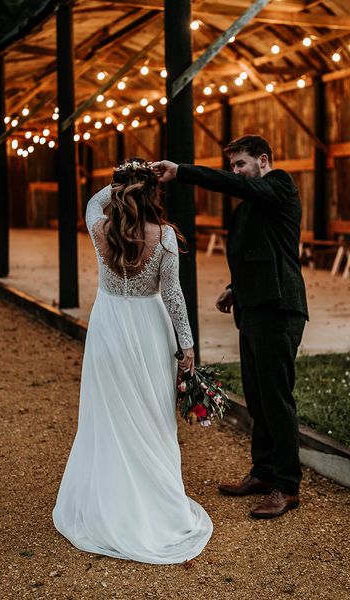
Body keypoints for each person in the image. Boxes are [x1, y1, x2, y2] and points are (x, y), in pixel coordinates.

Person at [52, 158, 213, 563]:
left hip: (109, 325)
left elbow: (93, 203)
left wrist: (121, 180)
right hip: (148, 328)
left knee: (108, 413)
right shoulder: (165, 238)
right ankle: (153, 502)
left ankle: (110, 501)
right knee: (150, 414)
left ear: (121, 194)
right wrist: (187, 346)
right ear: (153, 195)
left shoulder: (99, 228)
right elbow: (174, 297)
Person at [152, 135, 308, 520]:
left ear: (263, 161)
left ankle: (287, 487)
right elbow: (259, 253)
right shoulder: (250, 207)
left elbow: (237, 187)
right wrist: (235, 288)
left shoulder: (280, 185)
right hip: (254, 308)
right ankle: (262, 472)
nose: (235, 172)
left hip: (279, 308)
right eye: (233, 165)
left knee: (276, 396)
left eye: (241, 164)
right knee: (256, 396)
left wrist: (183, 172)